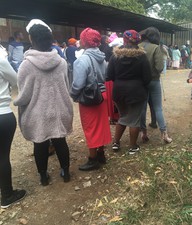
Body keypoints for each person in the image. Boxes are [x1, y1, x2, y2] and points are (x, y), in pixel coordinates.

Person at [14, 19, 73, 186]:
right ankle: (66, 172)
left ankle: (43, 177)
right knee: (60, 142)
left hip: (37, 113)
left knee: (40, 144)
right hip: (59, 109)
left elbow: (24, 94)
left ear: (32, 39)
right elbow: (66, 86)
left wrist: (17, 102)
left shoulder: (26, 65)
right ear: (50, 39)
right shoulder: (61, 62)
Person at [70, 28, 111, 171]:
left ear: (85, 41)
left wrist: (74, 95)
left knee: (90, 127)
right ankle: (101, 154)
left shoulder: (82, 60)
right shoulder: (102, 57)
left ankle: (93, 159)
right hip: (102, 94)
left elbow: (78, 83)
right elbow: (106, 75)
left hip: (89, 97)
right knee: (101, 125)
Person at [107, 30, 152, 154]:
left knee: (123, 116)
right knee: (134, 120)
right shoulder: (141, 56)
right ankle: (133, 147)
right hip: (137, 92)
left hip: (119, 92)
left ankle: (116, 143)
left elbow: (108, 75)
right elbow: (147, 78)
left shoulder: (115, 55)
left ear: (124, 40)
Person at [0, 58, 26, 208]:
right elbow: (16, 79)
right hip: (2, 113)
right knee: (3, 156)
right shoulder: (1, 60)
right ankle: (7, 195)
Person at [139, 26, 172, 143]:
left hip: (141, 82)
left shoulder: (138, 47)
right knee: (158, 108)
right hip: (154, 81)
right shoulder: (156, 48)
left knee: (142, 108)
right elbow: (159, 67)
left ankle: (143, 133)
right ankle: (164, 134)